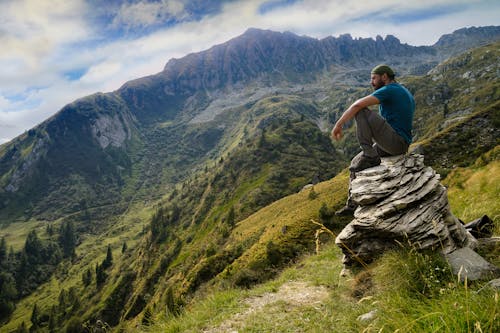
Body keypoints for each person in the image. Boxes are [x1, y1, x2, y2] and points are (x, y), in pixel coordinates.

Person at [332, 64, 415, 215]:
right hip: (398, 143)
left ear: (384, 77)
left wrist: (338, 125)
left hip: (396, 142)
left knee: (361, 111)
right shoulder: (402, 90)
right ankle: (352, 205)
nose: (371, 82)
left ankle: (369, 154)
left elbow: (357, 105)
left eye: (374, 78)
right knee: (356, 163)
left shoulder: (390, 89)